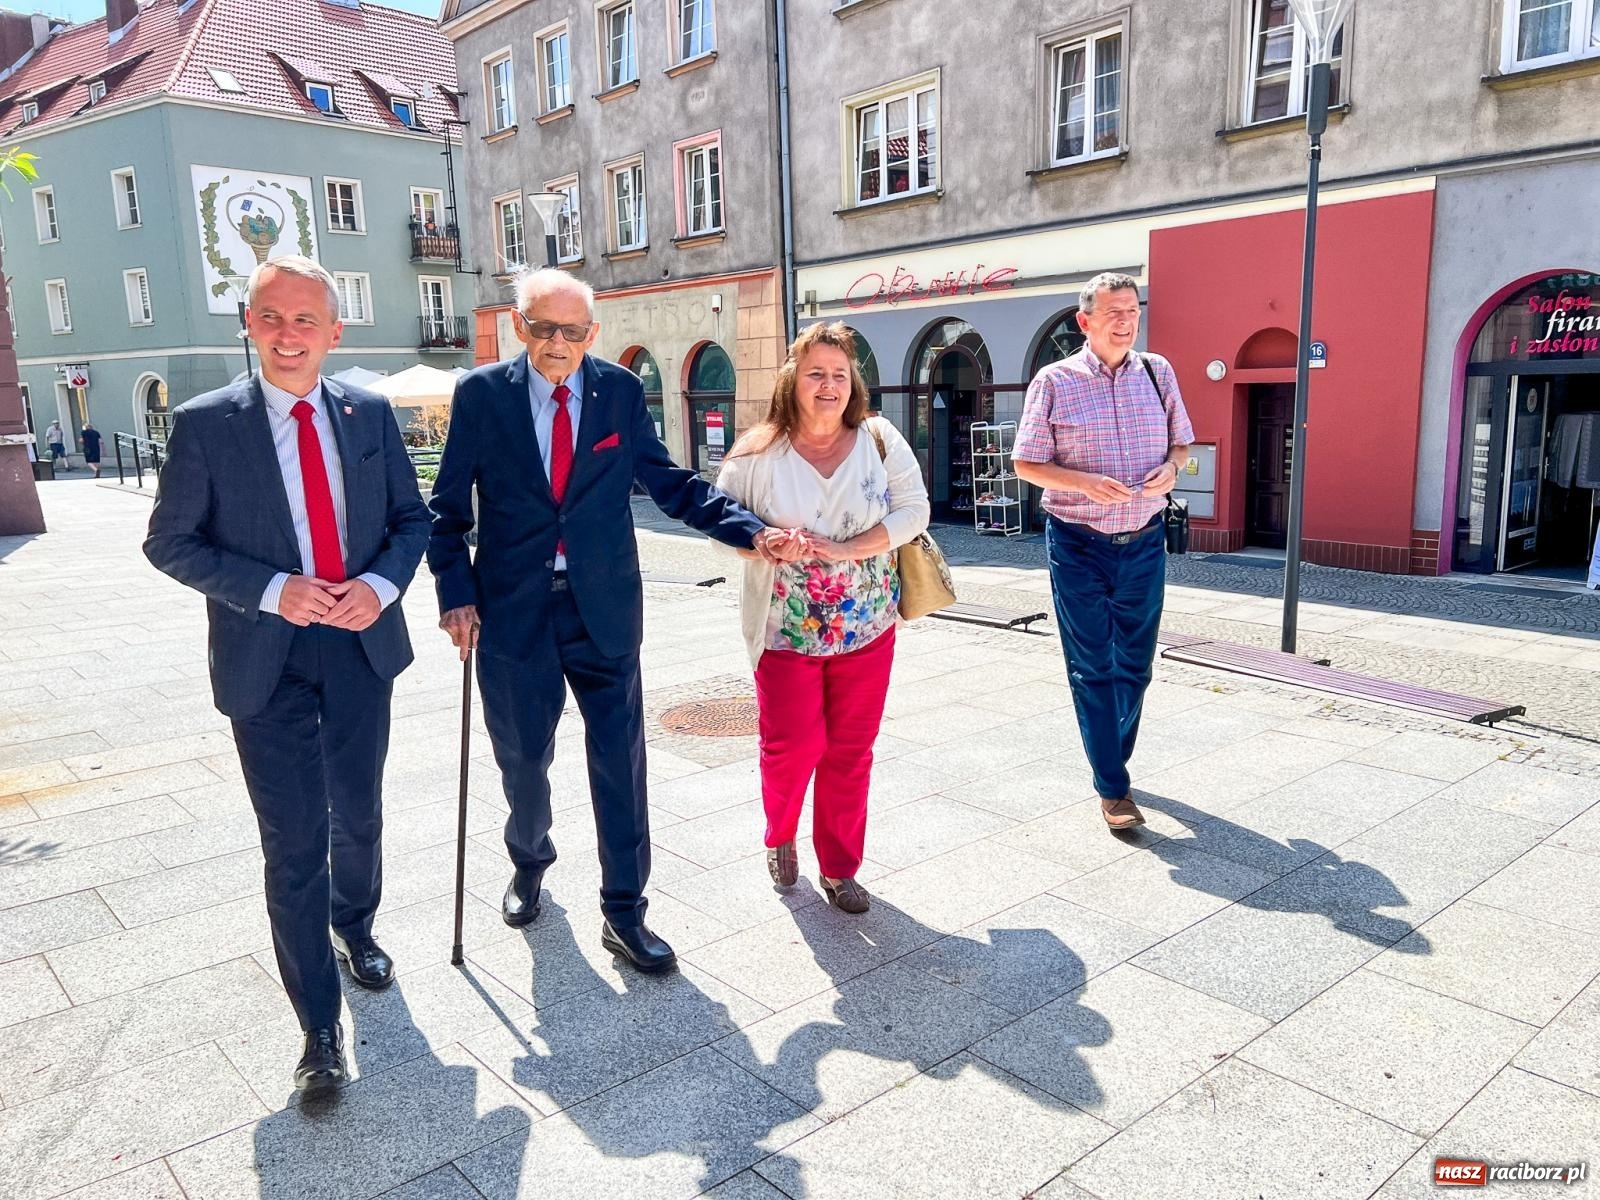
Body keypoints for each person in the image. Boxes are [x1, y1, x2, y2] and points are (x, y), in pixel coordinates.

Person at [428, 267, 786, 974]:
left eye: (570, 330)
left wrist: (752, 530)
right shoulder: (480, 396)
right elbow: (445, 512)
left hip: (604, 609)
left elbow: (670, 483)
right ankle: (530, 858)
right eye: (540, 327)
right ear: (519, 325)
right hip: (511, 612)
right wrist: (454, 592)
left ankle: (625, 911)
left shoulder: (619, 391)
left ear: (593, 333)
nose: (555, 343)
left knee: (620, 764)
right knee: (523, 759)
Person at [144, 256, 430, 1096]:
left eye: (306, 320)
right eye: (271, 317)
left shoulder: (371, 415)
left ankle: (357, 925)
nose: (288, 334)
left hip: (359, 648)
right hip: (261, 657)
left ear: (334, 331)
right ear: (249, 324)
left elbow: (413, 520)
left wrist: (379, 589)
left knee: (362, 813)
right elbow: (170, 542)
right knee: (295, 841)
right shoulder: (206, 425)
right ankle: (318, 1027)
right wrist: (273, 590)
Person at [714, 323, 929, 914]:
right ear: (793, 379)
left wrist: (849, 549)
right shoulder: (757, 451)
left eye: (840, 373)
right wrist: (761, 540)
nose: (829, 385)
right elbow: (721, 525)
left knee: (851, 749)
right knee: (793, 744)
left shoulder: (879, 438)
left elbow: (915, 509)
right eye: (816, 373)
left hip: (867, 623)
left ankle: (840, 867)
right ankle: (779, 832)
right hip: (786, 628)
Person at [1012, 272, 1194, 831]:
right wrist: (1083, 482)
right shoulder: (1054, 381)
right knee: (1093, 665)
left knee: (1136, 666)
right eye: (1113, 311)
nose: (1125, 320)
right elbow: (1025, 465)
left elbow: (1182, 445)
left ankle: (1111, 754)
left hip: (1143, 540)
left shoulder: (1157, 372)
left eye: (1133, 309)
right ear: (1084, 321)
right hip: (1077, 542)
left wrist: (1173, 467)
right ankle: (1113, 786)